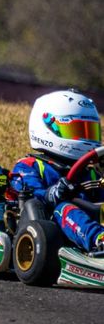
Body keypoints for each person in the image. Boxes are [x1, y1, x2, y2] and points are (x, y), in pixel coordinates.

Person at [9, 89, 104, 252]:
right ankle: (99, 240)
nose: (86, 139)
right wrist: (53, 193)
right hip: (48, 228)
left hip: (87, 222)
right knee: (64, 208)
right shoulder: (29, 166)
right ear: (48, 128)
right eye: (77, 130)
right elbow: (29, 196)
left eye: (90, 131)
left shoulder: (91, 172)